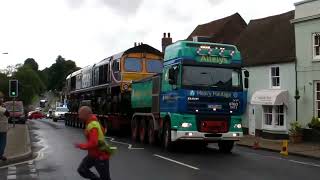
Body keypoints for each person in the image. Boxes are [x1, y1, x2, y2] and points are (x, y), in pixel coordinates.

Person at [75, 106, 111, 180]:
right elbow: (103, 131)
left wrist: (81, 146)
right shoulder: (93, 123)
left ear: (86, 114)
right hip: (93, 155)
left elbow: (94, 143)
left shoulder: (93, 125)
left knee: (105, 178)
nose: (79, 117)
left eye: (80, 114)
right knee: (82, 170)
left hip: (100, 155)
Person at [0, 92, 9, 161]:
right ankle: (0, 155)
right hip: (2, 129)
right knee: (3, 142)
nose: (2, 99)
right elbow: (8, 114)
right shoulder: (2, 109)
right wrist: (3, 106)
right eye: (1, 98)